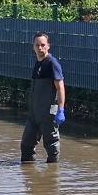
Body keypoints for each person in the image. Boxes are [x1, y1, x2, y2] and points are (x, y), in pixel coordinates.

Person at [21, 32, 66, 163]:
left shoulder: (52, 63)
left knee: (51, 145)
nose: (40, 48)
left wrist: (61, 110)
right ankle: (28, 171)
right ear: (33, 47)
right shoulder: (37, 64)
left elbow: (60, 87)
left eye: (43, 45)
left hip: (48, 113)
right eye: (37, 45)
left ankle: (53, 171)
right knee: (26, 145)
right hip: (34, 114)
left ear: (48, 46)